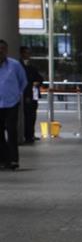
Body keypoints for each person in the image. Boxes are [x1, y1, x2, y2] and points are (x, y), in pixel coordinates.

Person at [0, 39, 26, 171]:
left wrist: (17, 95)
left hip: (11, 104)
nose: (0, 52)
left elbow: (23, 81)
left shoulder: (14, 65)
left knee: (12, 132)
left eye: (3, 49)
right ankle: (4, 159)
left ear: (6, 51)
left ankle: (14, 160)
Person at [20, 46, 43, 144]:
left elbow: (40, 78)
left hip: (34, 94)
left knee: (32, 116)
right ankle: (27, 135)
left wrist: (37, 82)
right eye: (27, 53)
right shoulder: (21, 67)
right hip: (26, 95)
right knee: (27, 116)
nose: (29, 55)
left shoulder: (32, 67)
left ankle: (31, 134)